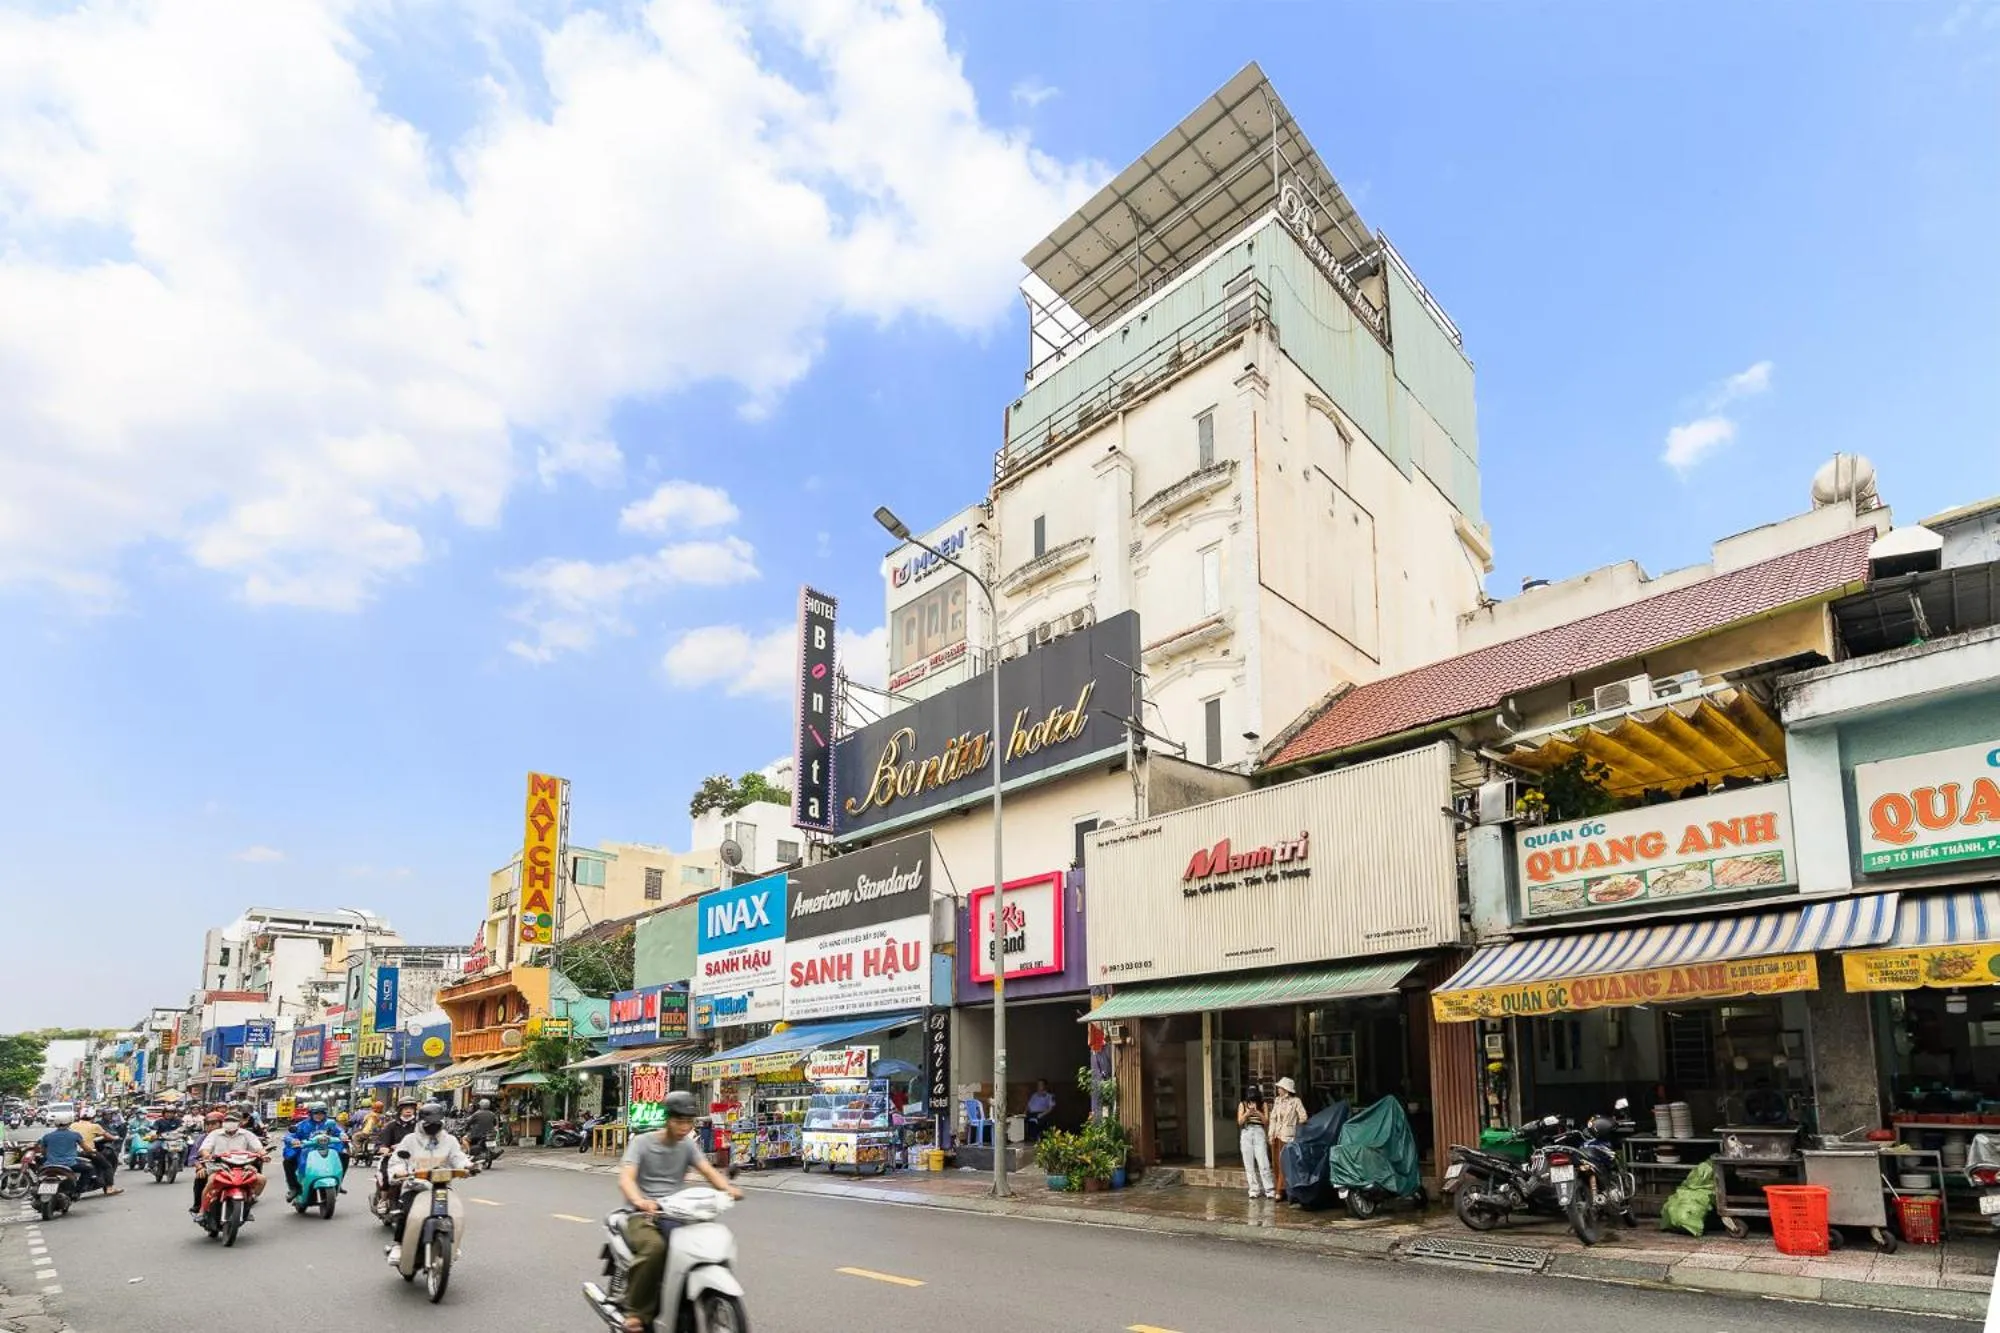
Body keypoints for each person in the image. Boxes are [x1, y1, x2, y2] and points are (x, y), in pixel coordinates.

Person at [614, 1090, 741, 1333]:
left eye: (688, 1121)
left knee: (702, 1243)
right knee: (655, 1249)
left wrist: (729, 1189)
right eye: (678, 1121)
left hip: (678, 1211)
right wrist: (640, 1201)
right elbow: (626, 1180)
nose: (684, 1127)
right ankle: (637, 1313)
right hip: (644, 1214)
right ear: (667, 1119)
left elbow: (709, 1172)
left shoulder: (687, 1147)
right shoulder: (641, 1143)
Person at [383, 1102, 470, 1247]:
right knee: (405, 1214)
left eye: (436, 1123)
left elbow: (458, 1157)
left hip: (441, 1187)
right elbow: (397, 1160)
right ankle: (398, 1245)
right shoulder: (410, 1140)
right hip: (414, 1186)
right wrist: (399, 1172)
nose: (432, 1127)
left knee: (455, 1214)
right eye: (429, 1123)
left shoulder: (450, 1140)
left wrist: (467, 1166)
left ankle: (452, 1247)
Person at [193, 1111, 268, 1217]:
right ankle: (202, 1211)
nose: (230, 1123)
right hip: (219, 1167)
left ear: (239, 1122)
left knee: (261, 1180)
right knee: (211, 1183)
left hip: (243, 1166)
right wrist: (207, 1155)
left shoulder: (247, 1134)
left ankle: (248, 1204)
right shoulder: (215, 1134)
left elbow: (259, 1148)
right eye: (227, 1120)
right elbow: (205, 1149)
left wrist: (264, 1155)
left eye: (233, 1120)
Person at [284, 1102, 349, 1199]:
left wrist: (343, 1135)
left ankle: (339, 1183)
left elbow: (339, 1132)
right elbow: (289, 1136)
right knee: (288, 1162)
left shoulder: (330, 1124)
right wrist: (293, 1140)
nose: (319, 1115)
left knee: (344, 1156)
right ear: (311, 1114)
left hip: (328, 1148)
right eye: (316, 1113)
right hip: (306, 1150)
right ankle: (294, 1188)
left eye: (322, 1113)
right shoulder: (302, 1125)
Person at [1266, 1077, 1307, 1201]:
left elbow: (1303, 1116)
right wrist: (1270, 1134)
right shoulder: (1277, 1101)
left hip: (1288, 1135)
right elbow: (1273, 1118)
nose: (1278, 1089)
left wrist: (1295, 1127)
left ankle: (1279, 1190)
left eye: (1280, 1087)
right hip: (1277, 1134)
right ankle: (1281, 1189)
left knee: (1284, 1162)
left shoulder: (1295, 1101)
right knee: (1276, 1164)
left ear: (1286, 1089)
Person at [70, 1111, 122, 1195]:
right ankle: (109, 1188)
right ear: (93, 1117)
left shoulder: (73, 1125)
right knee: (107, 1166)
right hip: (88, 1152)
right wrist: (115, 1138)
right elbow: (107, 1136)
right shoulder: (95, 1126)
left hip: (75, 1152)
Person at [1237, 1083, 1273, 1200]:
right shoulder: (1242, 1104)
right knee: (1249, 1163)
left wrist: (1258, 1112)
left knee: (1263, 1162)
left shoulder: (1263, 1105)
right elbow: (1240, 1122)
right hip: (1246, 1132)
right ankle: (1253, 1189)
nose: (1252, 1099)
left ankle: (1269, 1189)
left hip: (1259, 1132)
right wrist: (1248, 1112)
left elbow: (1266, 1122)